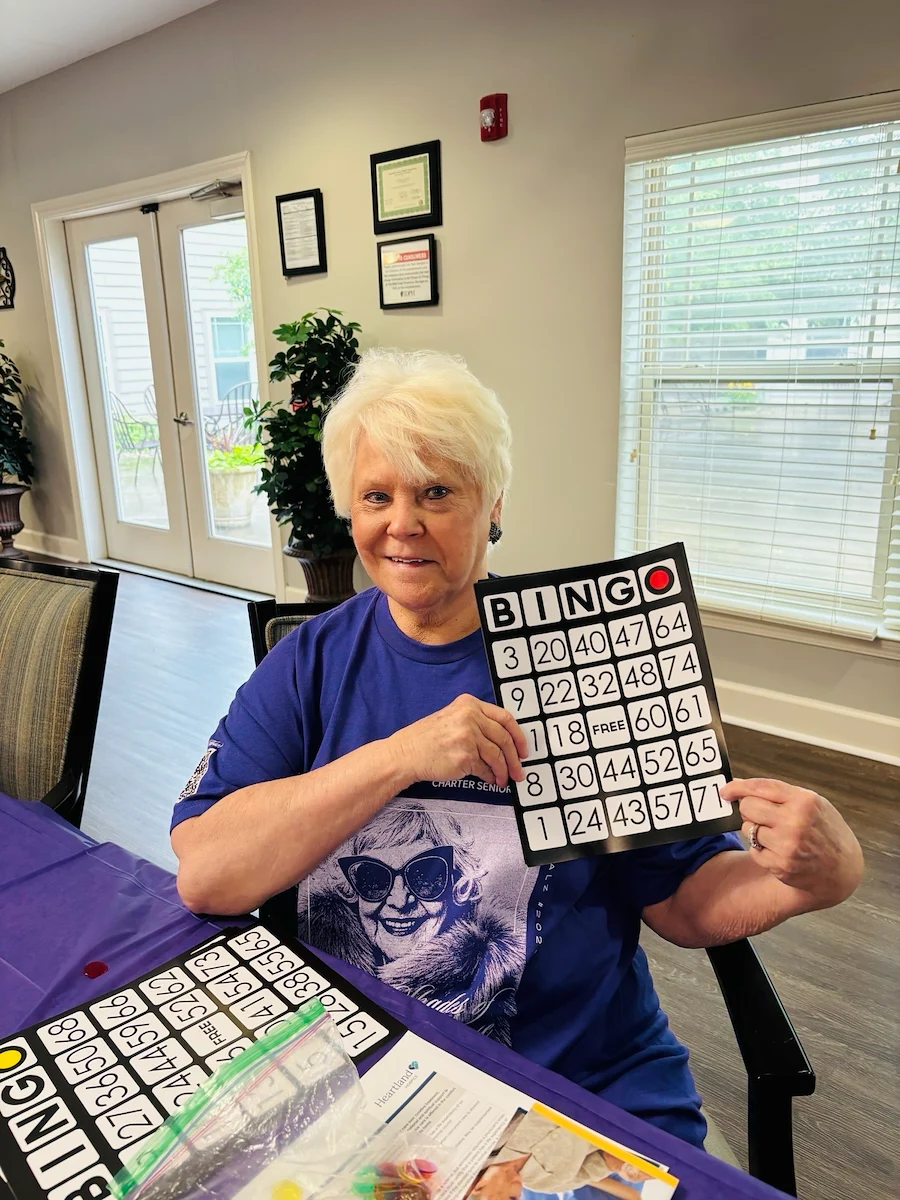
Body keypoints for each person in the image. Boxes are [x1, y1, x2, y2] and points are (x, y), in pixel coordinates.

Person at [171, 348, 863, 1150]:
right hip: (356, 1075)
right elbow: (209, 875)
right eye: (376, 495)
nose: (403, 523)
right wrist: (399, 755)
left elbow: (683, 900)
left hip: (571, 1083)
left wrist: (809, 882)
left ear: (492, 504)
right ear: (348, 512)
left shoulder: (589, 658)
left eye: (437, 491)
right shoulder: (310, 663)